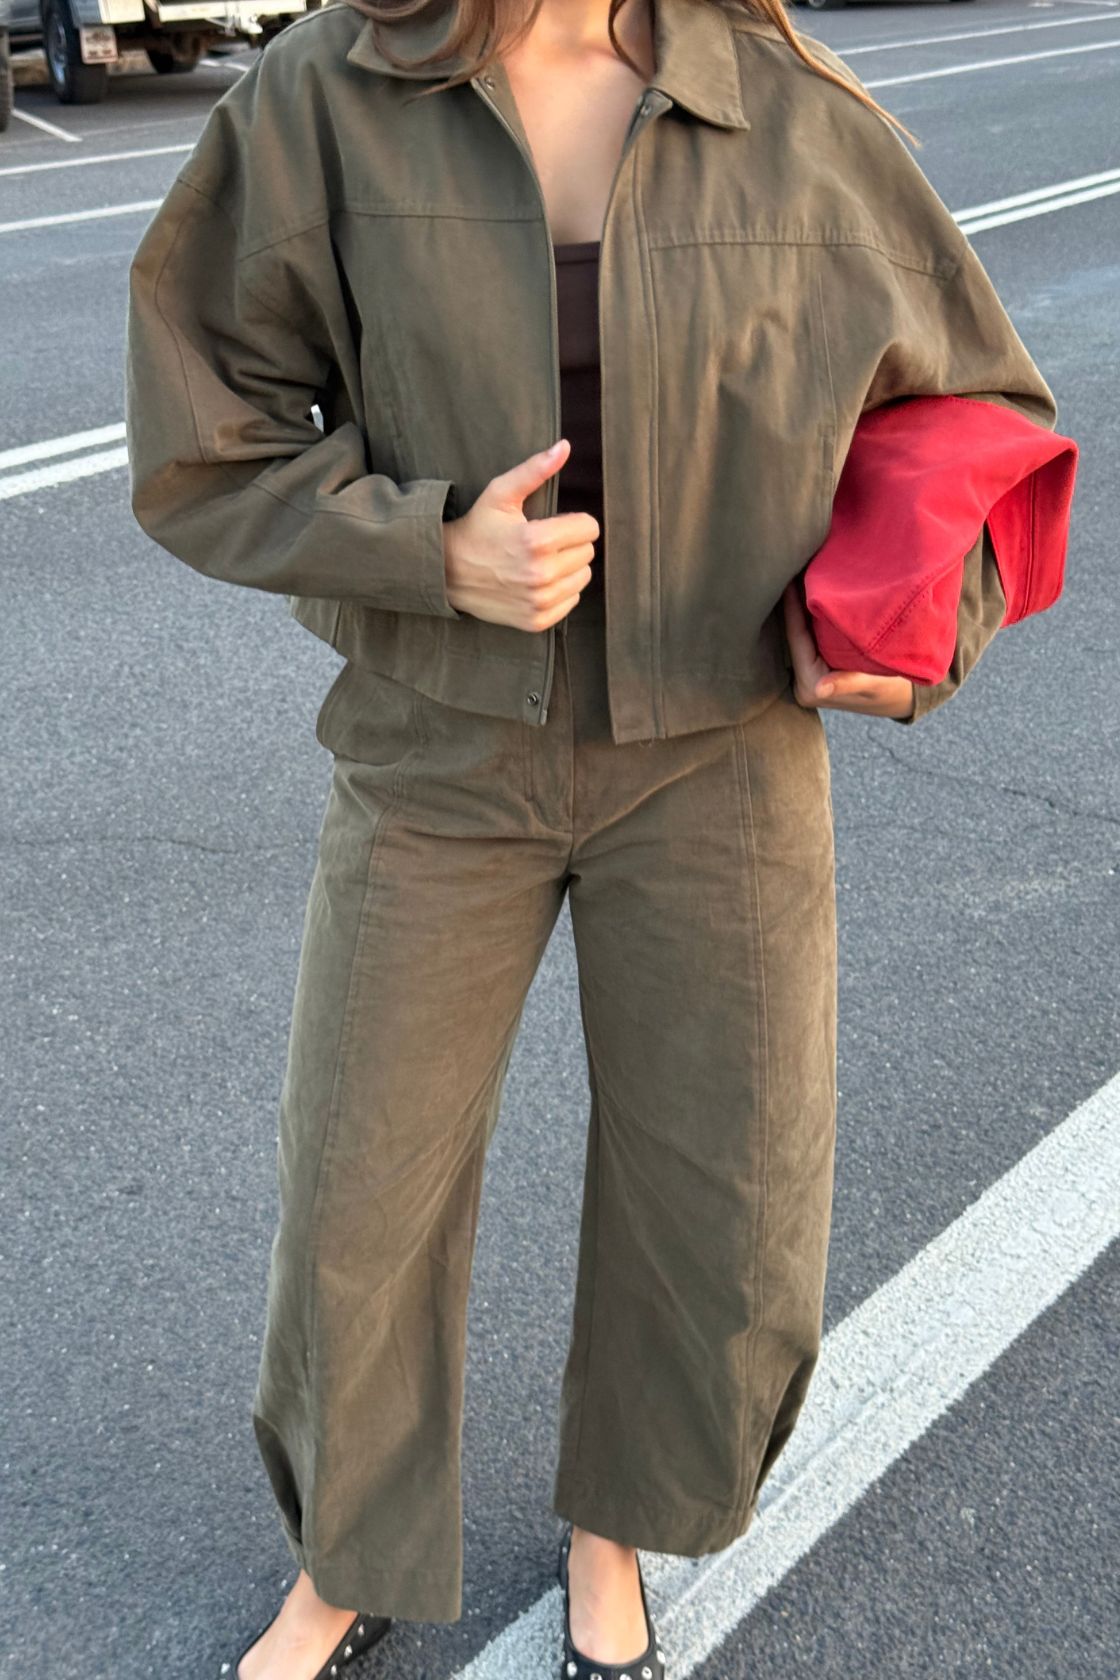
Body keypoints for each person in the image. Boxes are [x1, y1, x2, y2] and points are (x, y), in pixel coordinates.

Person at [124, 0, 1060, 1676]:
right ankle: (344, 1563)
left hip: (721, 761)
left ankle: (610, 1524)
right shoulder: (324, 91)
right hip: (437, 752)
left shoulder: (779, 98)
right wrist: (431, 552)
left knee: (719, 1193)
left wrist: (914, 632)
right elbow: (207, 435)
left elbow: (974, 410)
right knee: (360, 1190)